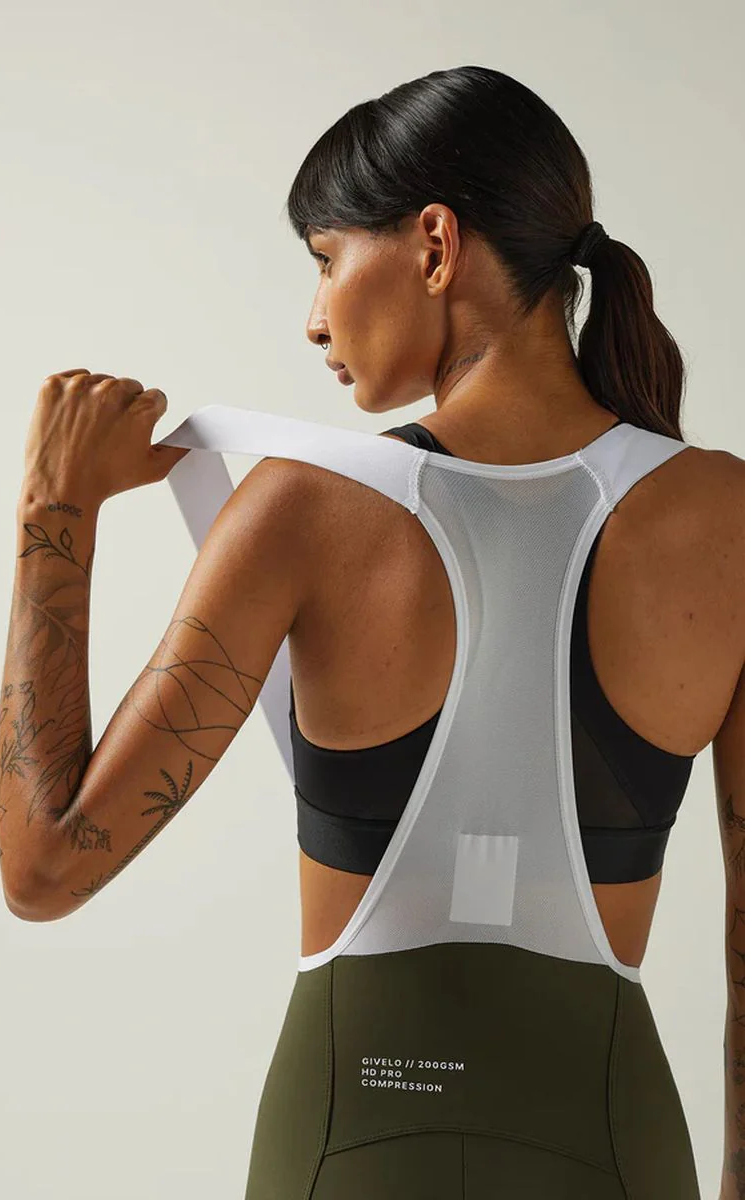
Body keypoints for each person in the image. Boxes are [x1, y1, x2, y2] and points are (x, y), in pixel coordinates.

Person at [154, 66, 743, 1197]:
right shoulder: (728, 519)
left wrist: (53, 518)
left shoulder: (303, 504)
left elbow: (46, 866)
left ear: (434, 245)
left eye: (326, 258)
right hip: (613, 1152)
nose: (315, 315)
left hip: (346, 1148)